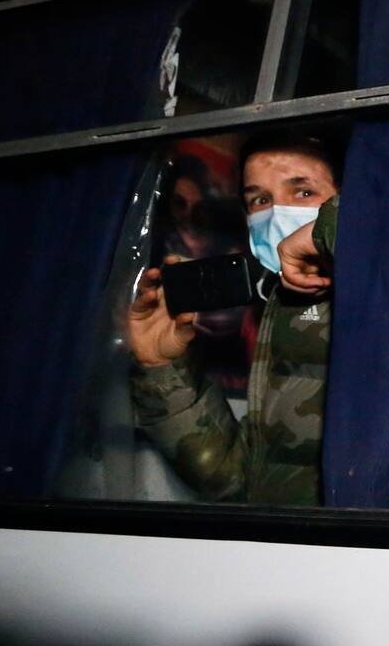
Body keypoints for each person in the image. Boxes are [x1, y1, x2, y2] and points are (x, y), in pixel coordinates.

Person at [127, 132, 340, 505]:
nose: (277, 213)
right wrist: (164, 369)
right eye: (260, 199)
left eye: (303, 192)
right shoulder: (281, 307)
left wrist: (328, 235)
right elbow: (239, 480)